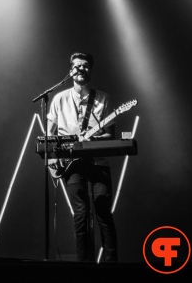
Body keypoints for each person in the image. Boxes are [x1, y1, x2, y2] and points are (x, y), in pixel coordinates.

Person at [46, 52, 118, 262]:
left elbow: (110, 135)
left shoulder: (103, 98)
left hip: (98, 161)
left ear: (90, 70)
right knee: (81, 213)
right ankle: (83, 265)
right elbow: (50, 134)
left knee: (103, 210)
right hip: (71, 164)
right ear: (71, 71)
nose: (81, 69)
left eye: (85, 66)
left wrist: (91, 139)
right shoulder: (59, 99)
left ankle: (112, 263)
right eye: (77, 66)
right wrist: (52, 158)